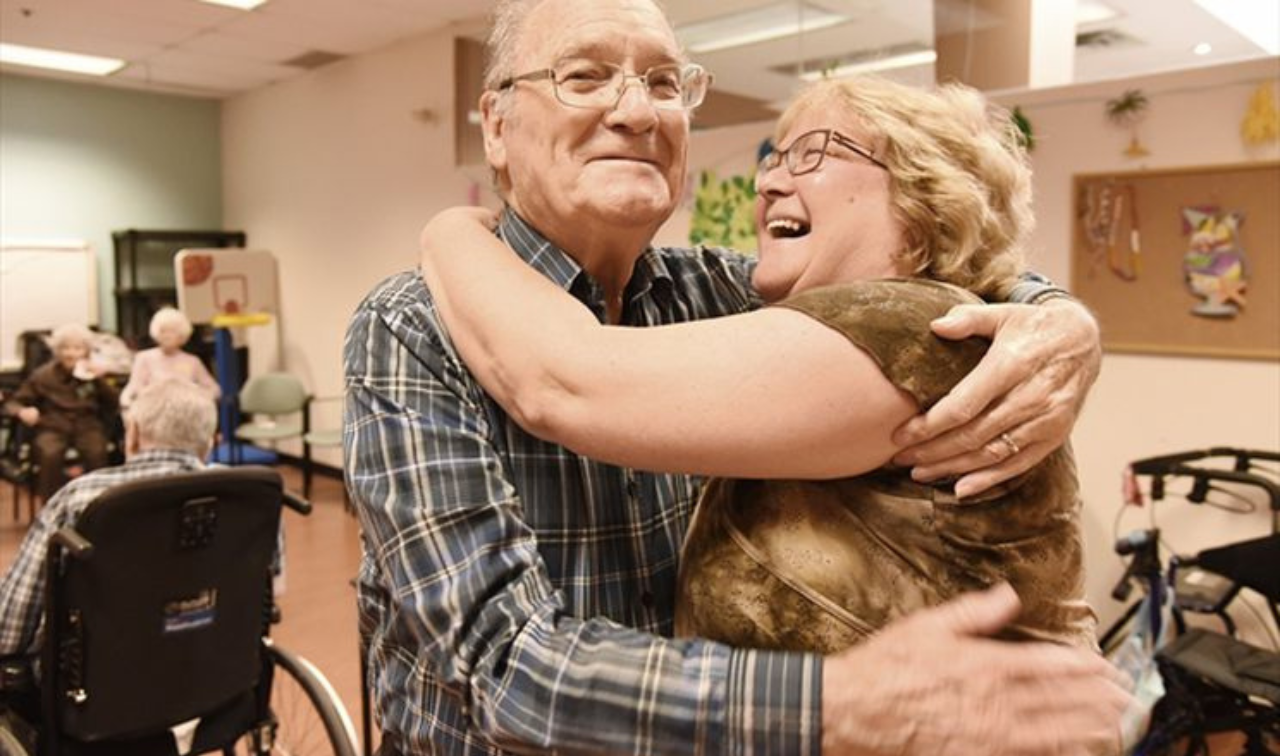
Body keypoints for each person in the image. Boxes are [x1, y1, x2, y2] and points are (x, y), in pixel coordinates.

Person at [344, 1, 1127, 754]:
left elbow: (937, 283)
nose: (637, 112)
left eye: (663, 83)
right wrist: (833, 705)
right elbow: (503, 667)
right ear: (497, 126)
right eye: (584, 76)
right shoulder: (413, 328)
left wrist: (1059, 317)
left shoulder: (717, 293)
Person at [419, 74, 1097, 654]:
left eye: (814, 153)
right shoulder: (816, 316)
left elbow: (564, 381)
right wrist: (1061, 311)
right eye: (775, 157)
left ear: (925, 196)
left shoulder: (915, 327)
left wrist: (449, 229)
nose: (769, 181)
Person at [0, 378, 218, 658]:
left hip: (100, 672)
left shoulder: (81, 497)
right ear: (210, 443)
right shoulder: (247, 495)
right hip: (216, 669)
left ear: (133, 434)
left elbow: (9, 633)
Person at [3, 324, 120, 502]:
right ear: (57, 351)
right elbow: (14, 402)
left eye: (77, 348)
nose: (70, 354)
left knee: (96, 452)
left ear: (86, 351)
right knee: (50, 454)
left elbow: (115, 402)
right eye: (65, 348)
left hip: (87, 425)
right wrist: (23, 411)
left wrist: (100, 380)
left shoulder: (94, 375)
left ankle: (97, 504)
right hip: (53, 426)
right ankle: (51, 504)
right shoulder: (43, 375)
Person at [118, 307, 221, 409]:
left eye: (172, 331)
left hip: (185, 411)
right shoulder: (143, 358)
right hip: (152, 411)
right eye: (163, 331)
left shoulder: (193, 361)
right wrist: (127, 404)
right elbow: (133, 386)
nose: (167, 336)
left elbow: (214, 390)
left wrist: (198, 399)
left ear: (181, 334)